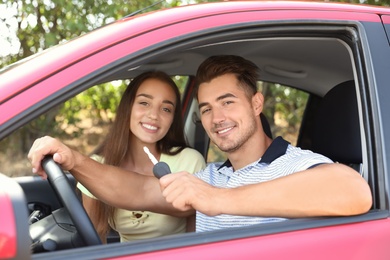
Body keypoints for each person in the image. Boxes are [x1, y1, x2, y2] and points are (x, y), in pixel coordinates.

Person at [28, 55, 372, 233]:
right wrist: (73, 160)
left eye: (228, 102)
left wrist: (218, 200)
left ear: (256, 104)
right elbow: (133, 191)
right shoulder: (209, 176)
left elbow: (353, 190)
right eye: (206, 109)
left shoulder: (295, 163)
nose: (216, 118)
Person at [76, 71, 205, 242]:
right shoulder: (98, 166)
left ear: (173, 119)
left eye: (166, 109)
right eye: (144, 103)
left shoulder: (190, 161)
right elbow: (95, 237)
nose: (153, 115)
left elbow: (196, 240)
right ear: (128, 107)